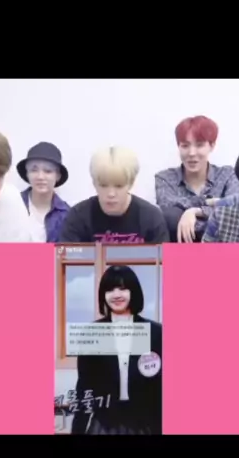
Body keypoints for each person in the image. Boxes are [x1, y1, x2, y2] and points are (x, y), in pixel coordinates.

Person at [71, 265, 162, 435]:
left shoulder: (155, 332)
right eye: (110, 289)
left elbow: (161, 388)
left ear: (133, 292)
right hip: (104, 425)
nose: (116, 295)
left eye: (123, 288)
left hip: (145, 425)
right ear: (103, 295)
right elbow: (84, 388)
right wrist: (77, 430)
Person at [155, 115, 239, 242]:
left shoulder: (228, 175)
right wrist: (212, 203)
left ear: (212, 146)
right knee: (171, 216)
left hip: (221, 249)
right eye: (185, 146)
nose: (192, 153)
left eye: (199, 145)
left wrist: (196, 211)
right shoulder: (164, 178)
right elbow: (168, 213)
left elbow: (235, 210)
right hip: (180, 248)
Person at [60, 146, 169, 244]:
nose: (111, 194)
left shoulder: (151, 218)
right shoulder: (78, 217)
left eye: (119, 186)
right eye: (103, 185)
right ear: (94, 183)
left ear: (130, 183)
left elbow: (164, 258)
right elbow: (66, 257)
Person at [17, 142, 70, 242]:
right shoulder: (13, 204)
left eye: (48, 171)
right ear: (27, 173)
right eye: (34, 170)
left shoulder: (66, 215)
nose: (40, 177)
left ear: (58, 176)